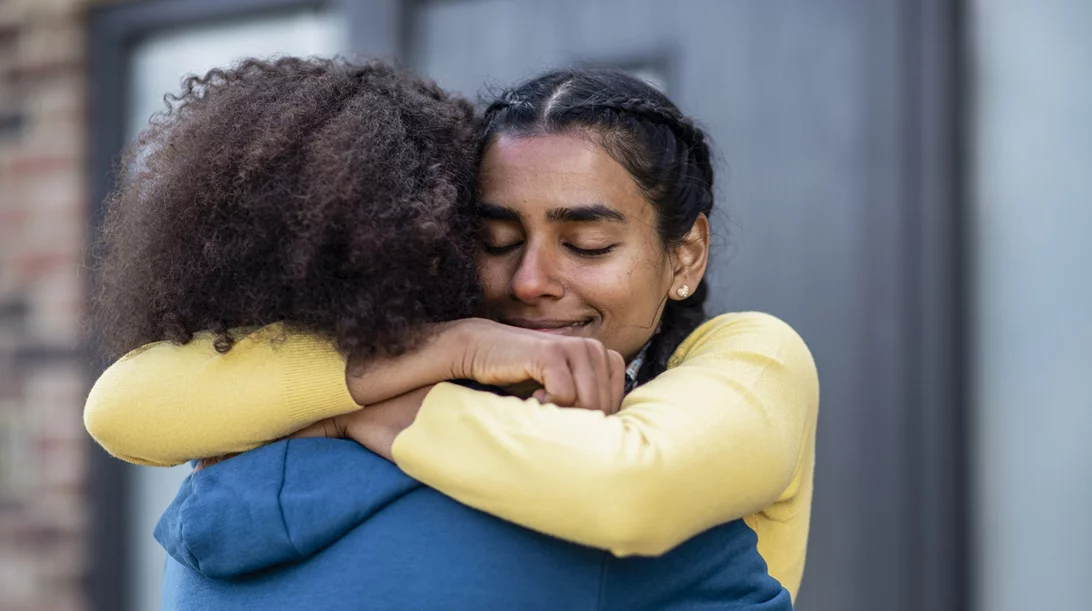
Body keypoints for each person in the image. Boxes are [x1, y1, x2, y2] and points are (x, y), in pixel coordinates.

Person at [86, 65, 818, 601]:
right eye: (498, 240)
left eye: (587, 245)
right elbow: (121, 403)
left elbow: (631, 485)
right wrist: (455, 344)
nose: (532, 280)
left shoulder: (747, 356)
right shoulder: (442, 362)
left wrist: (352, 413)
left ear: (685, 254)